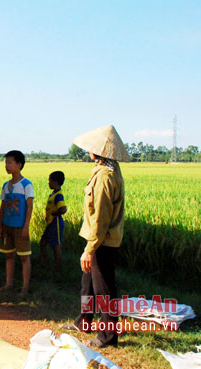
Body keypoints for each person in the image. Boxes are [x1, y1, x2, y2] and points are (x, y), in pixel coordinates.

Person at [63, 125, 128, 348]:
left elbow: (100, 218)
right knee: (88, 284)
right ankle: (85, 322)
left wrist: (89, 250)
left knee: (104, 290)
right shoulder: (108, 170)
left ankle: (108, 337)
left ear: (97, 152)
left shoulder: (104, 177)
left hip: (102, 241)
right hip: (99, 237)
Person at [0, 150, 34, 298]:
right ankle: (8, 284)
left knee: (24, 257)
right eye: (6, 163)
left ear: (19, 165)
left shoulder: (26, 185)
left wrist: (26, 227)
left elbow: (29, 207)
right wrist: (0, 226)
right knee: (9, 256)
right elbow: (2, 206)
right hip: (7, 225)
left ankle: (25, 287)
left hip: (20, 227)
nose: (7, 165)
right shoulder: (6, 185)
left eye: (10, 163)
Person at [39, 170, 67, 270]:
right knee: (42, 242)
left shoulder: (58, 195)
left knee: (56, 245)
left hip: (56, 223)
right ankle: (43, 264)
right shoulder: (53, 194)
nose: (48, 183)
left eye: (49, 181)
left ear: (55, 182)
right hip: (50, 223)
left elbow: (63, 209)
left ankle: (58, 267)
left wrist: (55, 214)